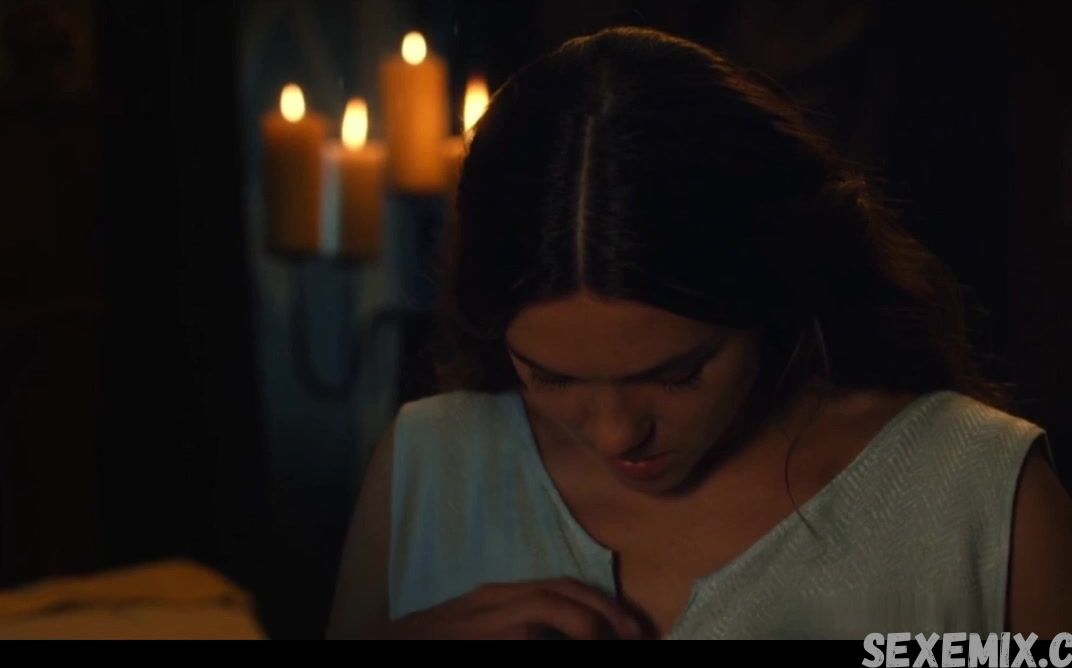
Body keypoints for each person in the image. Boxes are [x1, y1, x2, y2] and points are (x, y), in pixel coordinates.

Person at [327, 27, 1072, 640]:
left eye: (678, 374)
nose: (618, 433)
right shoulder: (430, 467)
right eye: (550, 376)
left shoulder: (976, 493)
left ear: (773, 293)